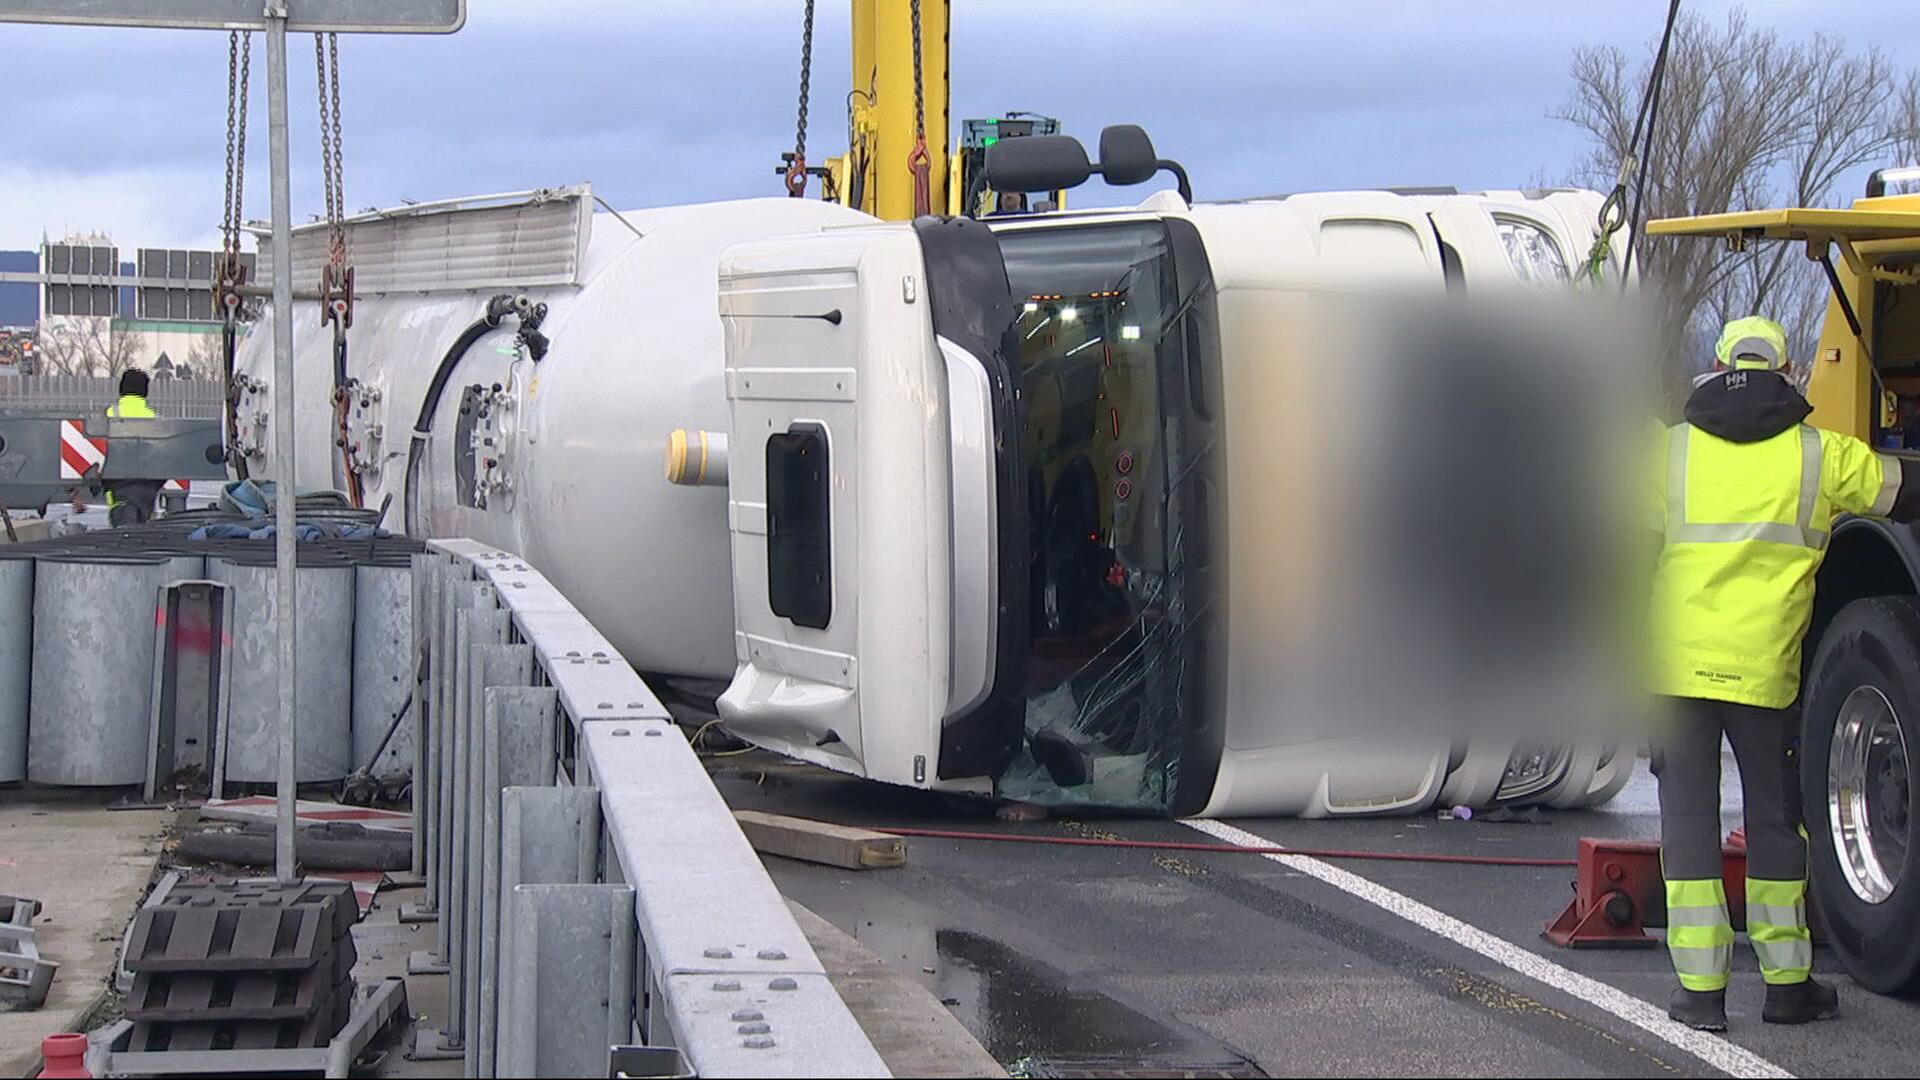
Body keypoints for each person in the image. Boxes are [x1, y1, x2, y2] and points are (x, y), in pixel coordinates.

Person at [1649, 315, 1920, 1030]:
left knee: (1687, 827)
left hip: (1679, 668)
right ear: (1791, 371)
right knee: (1774, 828)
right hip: (1765, 673)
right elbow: (1895, 490)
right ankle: (1786, 986)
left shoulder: (1668, 453)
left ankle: (1700, 998)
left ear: (1715, 362)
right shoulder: (1818, 455)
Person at [69, 368, 164, 526]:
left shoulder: (107, 417)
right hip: (148, 490)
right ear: (146, 391)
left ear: (121, 390)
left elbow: (89, 459)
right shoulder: (157, 420)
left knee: (124, 534)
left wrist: (79, 494)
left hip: (117, 488)